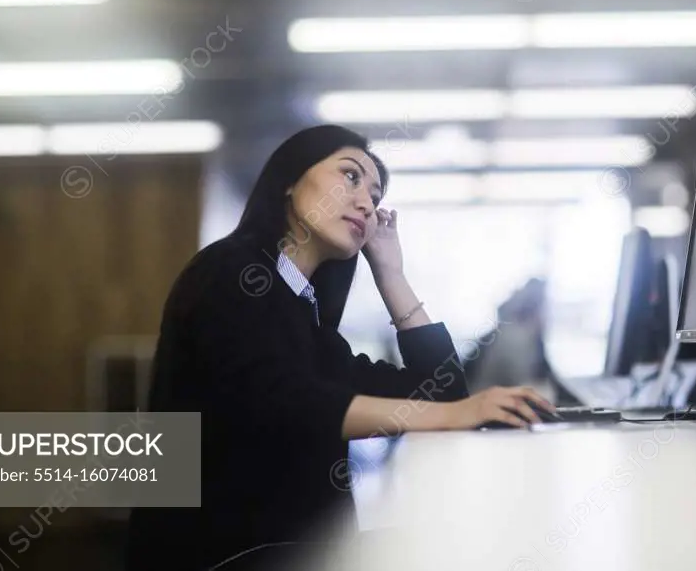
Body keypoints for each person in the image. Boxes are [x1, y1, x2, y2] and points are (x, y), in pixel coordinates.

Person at [124, 124, 556, 570]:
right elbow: (286, 405)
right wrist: (454, 413)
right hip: (229, 557)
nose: (366, 202)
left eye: (375, 194)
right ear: (290, 180)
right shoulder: (230, 272)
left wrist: (392, 275)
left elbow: (441, 391)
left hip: (296, 551)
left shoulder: (307, 321)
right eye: (350, 176)